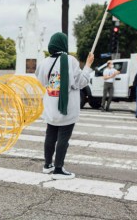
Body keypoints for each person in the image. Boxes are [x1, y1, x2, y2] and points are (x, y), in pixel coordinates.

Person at [36, 32, 94, 179]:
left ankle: (47, 165)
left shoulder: (43, 63)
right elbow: (81, 82)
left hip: (50, 106)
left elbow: (42, 82)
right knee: (63, 138)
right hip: (66, 107)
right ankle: (58, 169)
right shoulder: (71, 61)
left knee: (50, 136)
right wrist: (88, 65)